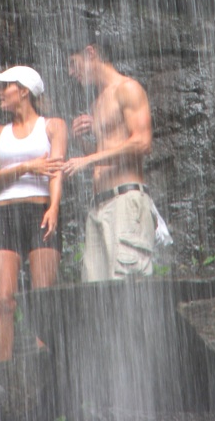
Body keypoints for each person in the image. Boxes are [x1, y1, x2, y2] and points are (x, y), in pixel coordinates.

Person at [0, 65, 67, 365]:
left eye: (5, 87)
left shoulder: (53, 126)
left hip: (41, 210)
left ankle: (45, 367)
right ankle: (3, 371)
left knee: (43, 297)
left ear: (24, 91)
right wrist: (27, 167)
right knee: (4, 300)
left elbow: (56, 172)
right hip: (4, 214)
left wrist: (54, 207)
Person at [63, 35, 162, 282]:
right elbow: (105, 158)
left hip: (125, 202)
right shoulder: (97, 103)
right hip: (99, 206)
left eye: (73, 64)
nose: (71, 73)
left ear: (91, 53)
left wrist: (89, 157)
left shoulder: (127, 88)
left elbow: (142, 142)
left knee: (127, 286)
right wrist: (83, 144)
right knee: (96, 291)